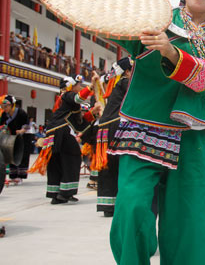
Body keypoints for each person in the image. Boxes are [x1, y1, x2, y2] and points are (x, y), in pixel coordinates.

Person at [107, 0, 205, 264]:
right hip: (142, 127)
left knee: (188, 223)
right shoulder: (156, 17)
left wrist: (171, 52)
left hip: (191, 135)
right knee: (132, 208)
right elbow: (110, 23)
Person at [29, 73, 101, 203]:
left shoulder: (67, 101)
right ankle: (65, 192)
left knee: (57, 161)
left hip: (54, 133)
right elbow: (79, 98)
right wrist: (91, 86)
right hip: (61, 132)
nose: (80, 87)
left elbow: (79, 123)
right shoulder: (67, 96)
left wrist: (93, 112)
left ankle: (57, 193)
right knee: (71, 158)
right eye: (79, 85)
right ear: (71, 86)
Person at [94, 57, 133, 217]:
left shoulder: (116, 85)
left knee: (108, 167)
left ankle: (107, 205)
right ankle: (117, 203)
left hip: (105, 128)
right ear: (127, 72)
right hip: (115, 126)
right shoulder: (125, 83)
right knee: (119, 166)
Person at [0, 95, 31, 185]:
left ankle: (20, 176)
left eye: (6, 106)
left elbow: (27, 123)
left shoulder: (21, 112)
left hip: (23, 137)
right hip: (12, 138)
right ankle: (13, 176)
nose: (4, 108)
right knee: (11, 154)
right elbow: (2, 124)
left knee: (22, 155)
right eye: (3, 106)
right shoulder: (4, 114)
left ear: (12, 105)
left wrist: (22, 130)